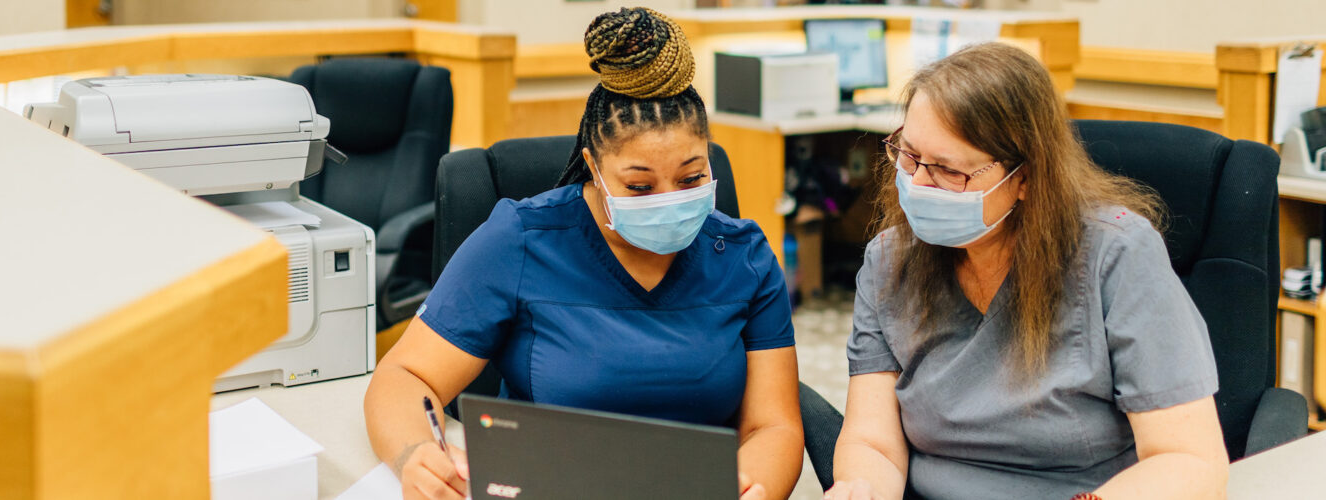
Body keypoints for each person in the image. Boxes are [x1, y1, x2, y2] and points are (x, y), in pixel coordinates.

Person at [363, 7, 803, 500]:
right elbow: (404, 376)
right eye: (639, 186)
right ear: (593, 167)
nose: (668, 200)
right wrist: (415, 455)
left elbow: (774, 427)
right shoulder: (522, 239)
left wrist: (751, 488)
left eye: (691, 178)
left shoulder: (743, 257)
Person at [818, 42, 1228, 500]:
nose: (916, 184)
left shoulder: (1116, 257)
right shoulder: (890, 260)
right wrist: (861, 490)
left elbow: (1187, 460)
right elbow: (873, 443)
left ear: (1026, 178)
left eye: (949, 171)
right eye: (909, 155)